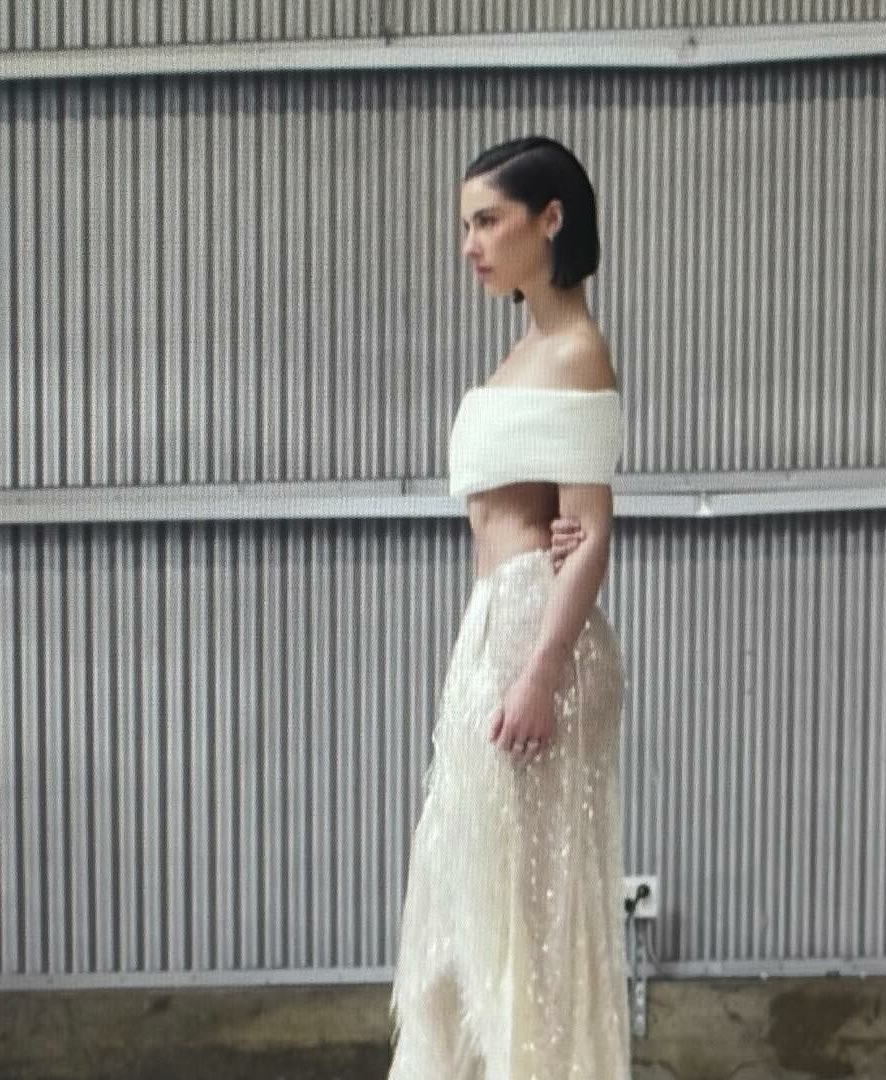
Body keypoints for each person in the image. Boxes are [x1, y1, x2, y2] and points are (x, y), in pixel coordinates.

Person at [386, 135, 631, 1078]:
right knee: (469, 894)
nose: (471, 245)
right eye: (466, 225)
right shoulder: (525, 348)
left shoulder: (575, 351)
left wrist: (540, 674)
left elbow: (590, 532)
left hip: (537, 643)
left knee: (527, 914)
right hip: (497, 623)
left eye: (488, 221)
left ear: (550, 219)